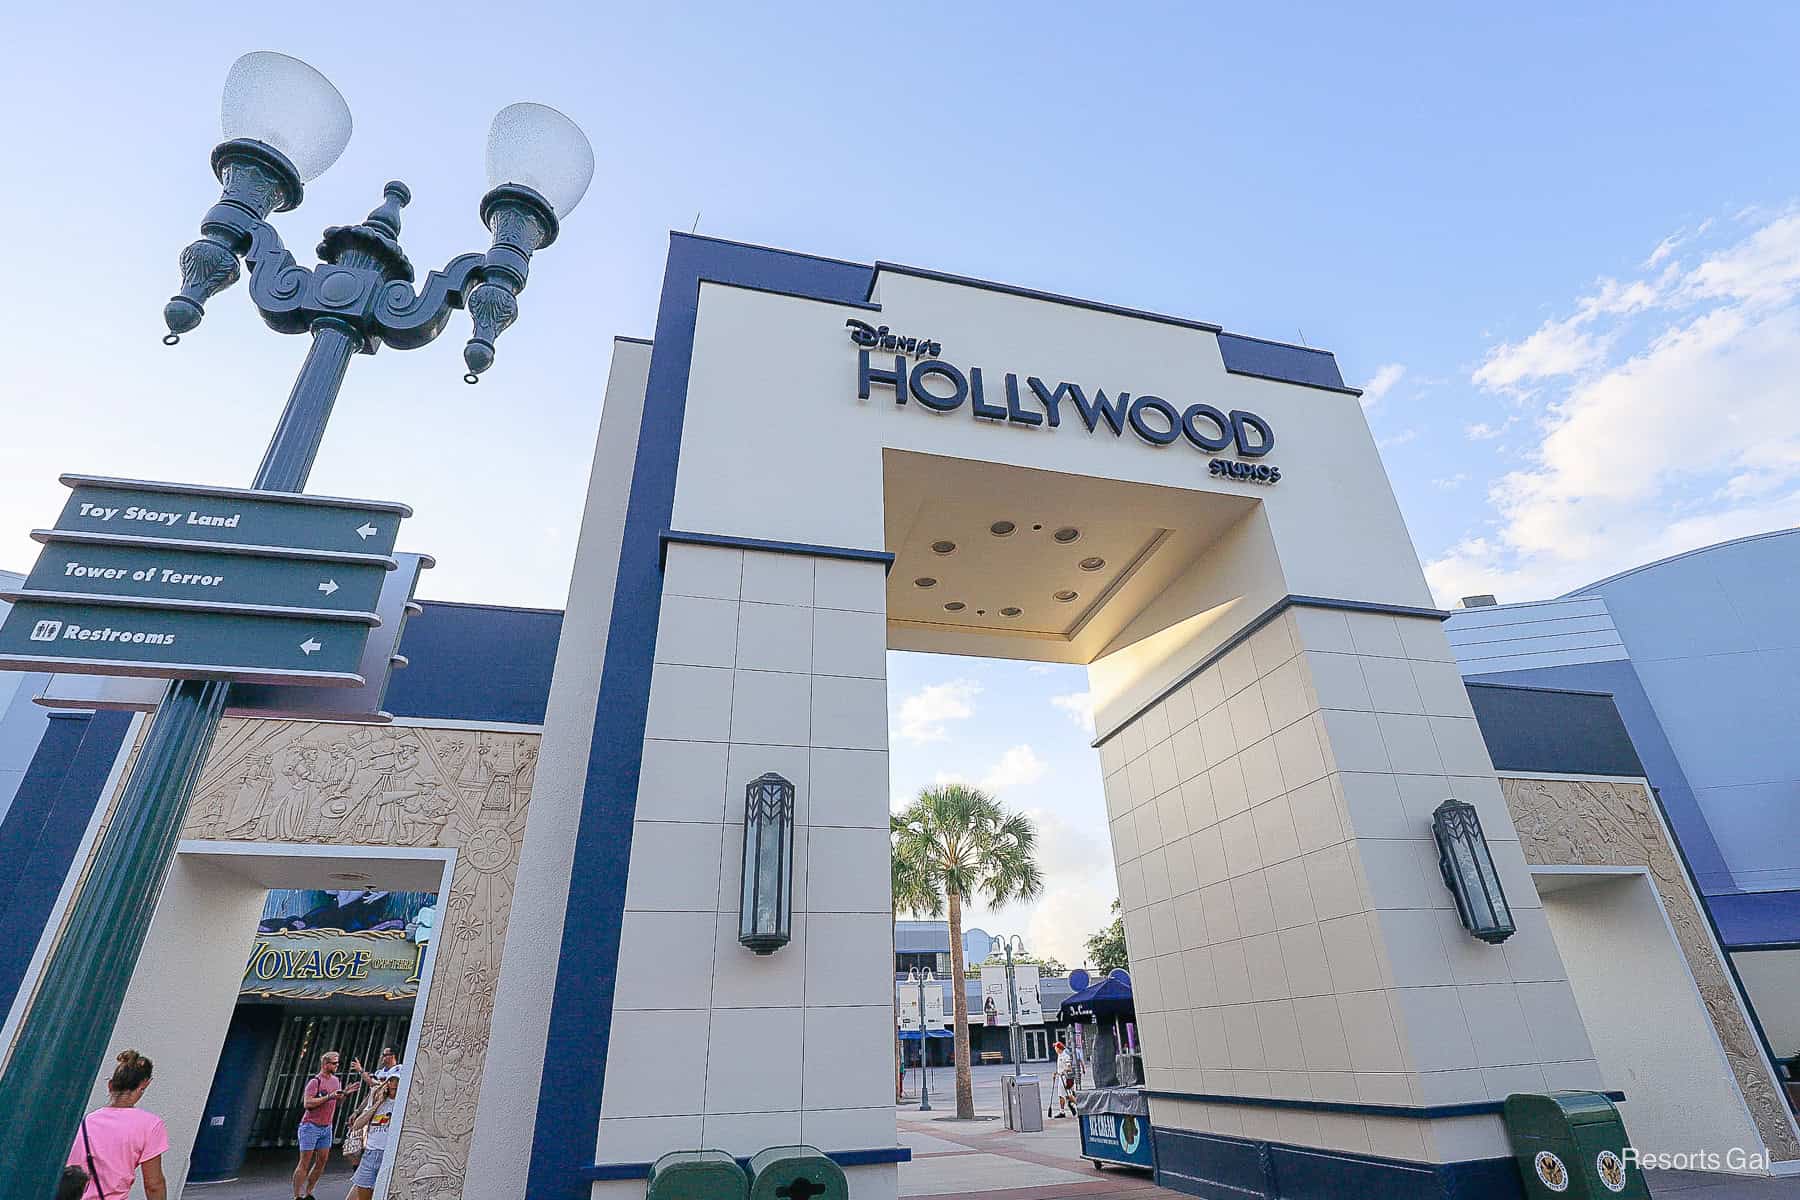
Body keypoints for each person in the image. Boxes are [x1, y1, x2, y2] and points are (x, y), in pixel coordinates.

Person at [65, 1049, 167, 1200]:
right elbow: (153, 1185)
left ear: (110, 1085)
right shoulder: (151, 1125)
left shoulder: (84, 1122)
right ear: (144, 1085)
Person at [294, 1051, 360, 1200]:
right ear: (325, 1064)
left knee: (322, 1161)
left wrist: (345, 1094)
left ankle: (308, 1192)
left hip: (326, 1127)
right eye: (334, 1063)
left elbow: (338, 1103)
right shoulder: (315, 1082)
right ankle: (297, 1195)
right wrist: (329, 1096)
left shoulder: (336, 1081)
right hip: (310, 1126)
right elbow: (307, 1103)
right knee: (305, 1161)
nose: (337, 1065)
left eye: (338, 1063)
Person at [345, 1065, 400, 1200]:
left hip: (389, 1155)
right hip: (370, 1153)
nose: (394, 1085)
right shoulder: (378, 1098)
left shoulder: (403, 1103)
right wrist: (377, 1104)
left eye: (398, 1081)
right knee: (363, 1193)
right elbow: (357, 1125)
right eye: (391, 1081)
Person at [1053, 1040, 1078, 1118]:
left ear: (1059, 1048)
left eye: (1056, 1047)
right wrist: (1056, 1073)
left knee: (1068, 1095)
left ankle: (1080, 1106)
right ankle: (1062, 1111)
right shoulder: (1059, 1055)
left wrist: (1063, 1071)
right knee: (1062, 1095)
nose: (1055, 1049)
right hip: (1061, 1077)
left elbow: (1069, 1067)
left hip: (1065, 1078)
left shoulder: (1065, 1056)